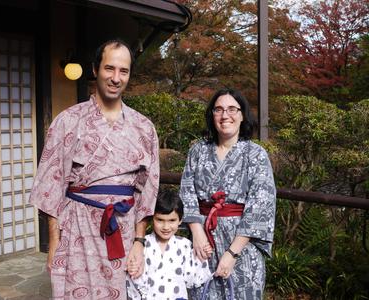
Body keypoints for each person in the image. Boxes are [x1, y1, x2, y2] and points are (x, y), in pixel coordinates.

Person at [29, 39, 159, 300]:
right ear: (95, 69)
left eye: (123, 71)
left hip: (122, 229)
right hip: (76, 228)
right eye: (109, 68)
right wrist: (54, 243)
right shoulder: (68, 121)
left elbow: (148, 191)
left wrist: (139, 242)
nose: (115, 78)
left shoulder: (143, 127)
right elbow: (51, 184)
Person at [180, 88, 276, 299]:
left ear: (242, 115)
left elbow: (260, 207)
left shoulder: (256, 154)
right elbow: (187, 192)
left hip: (242, 247)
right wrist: (197, 233)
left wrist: (232, 253)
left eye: (232, 109)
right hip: (202, 244)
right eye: (219, 109)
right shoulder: (198, 150)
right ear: (212, 115)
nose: (225, 115)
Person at [126, 189, 212, 300]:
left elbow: (193, 279)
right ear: (153, 218)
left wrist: (202, 257)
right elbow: (135, 284)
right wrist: (133, 271)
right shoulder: (143, 245)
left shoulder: (185, 245)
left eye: (172, 220)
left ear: (180, 220)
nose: (166, 227)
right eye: (160, 220)